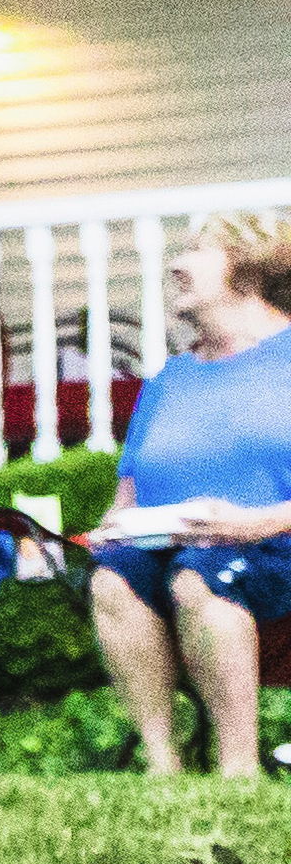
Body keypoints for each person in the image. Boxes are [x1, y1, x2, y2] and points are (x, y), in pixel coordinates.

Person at [85, 217, 291, 781]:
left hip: (275, 549)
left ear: (251, 266)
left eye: (197, 251)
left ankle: (237, 769)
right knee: (114, 577)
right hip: (173, 548)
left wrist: (258, 522)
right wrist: (112, 530)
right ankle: (162, 766)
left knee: (201, 575)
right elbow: (127, 493)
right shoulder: (171, 379)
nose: (176, 264)